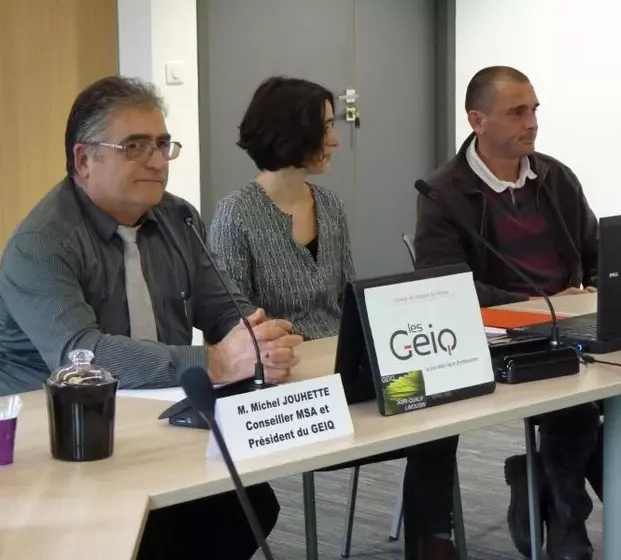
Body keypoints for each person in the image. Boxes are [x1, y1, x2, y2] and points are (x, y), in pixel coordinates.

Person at [0, 75, 303, 559]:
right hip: (44, 448)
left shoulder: (179, 218)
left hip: (151, 423)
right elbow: (80, 359)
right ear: (84, 160)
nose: (156, 161)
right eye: (134, 146)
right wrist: (213, 363)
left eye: (163, 144)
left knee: (247, 506)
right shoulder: (41, 243)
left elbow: (225, 309)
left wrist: (258, 342)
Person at [210, 75, 462, 560]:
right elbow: (232, 319)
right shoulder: (235, 215)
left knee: (435, 401)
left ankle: (432, 541)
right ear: (290, 131)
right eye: (325, 126)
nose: (335, 139)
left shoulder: (329, 206)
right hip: (287, 388)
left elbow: (351, 304)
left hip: (346, 373)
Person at [414, 66, 601, 560]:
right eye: (517, 111)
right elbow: (445, 287)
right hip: (500, 334)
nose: (532, 122)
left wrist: (602, 289)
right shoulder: (443, 193)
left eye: (534, 109)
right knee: (576, 408)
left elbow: (598, 253)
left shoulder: (556, 177)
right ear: (477, 120)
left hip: (568, 323)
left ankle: (538, 475)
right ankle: (567, 523)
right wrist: (537, 306)